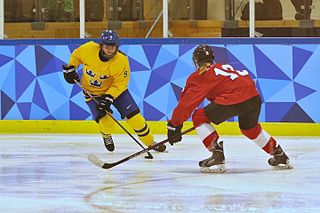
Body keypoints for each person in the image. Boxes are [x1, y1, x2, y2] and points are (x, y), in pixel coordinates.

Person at [167, 45, 292, 173]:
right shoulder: (223, 67)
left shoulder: (201, 74)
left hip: (235, 98)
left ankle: (217, 154)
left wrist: (174, 125)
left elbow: (187, 103)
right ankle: (279, 154)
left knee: (199, 116)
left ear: (196, 61)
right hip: (253, 97)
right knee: (250, 129)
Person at [62, 29, 166, 153]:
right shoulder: (88, 48)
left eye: (113, 46)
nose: (110, 49)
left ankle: (151, 143)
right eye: (107, 46)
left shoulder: (121, 60)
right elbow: (76, 56)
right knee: (108, 124)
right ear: (101, 44)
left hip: (117, 93)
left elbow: (120, 83)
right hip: (93, 93)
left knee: (136, 119)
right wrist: (71, 68)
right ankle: (106, 135)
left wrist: (109, 96)